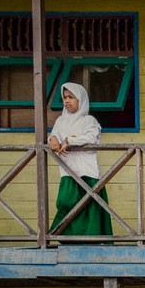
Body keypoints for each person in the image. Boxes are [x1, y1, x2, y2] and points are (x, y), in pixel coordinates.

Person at [48, 82, 113, 237]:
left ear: (81, 100)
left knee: (89, 206)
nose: (67, 101)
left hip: (87, 171)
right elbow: (54, 135)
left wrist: (70, 141)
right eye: (64, 97)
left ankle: (93, 239)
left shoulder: (89, 120)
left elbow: (93, 138)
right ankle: (66, 236)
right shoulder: (61, 121)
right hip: (68, 170)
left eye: (71, 97)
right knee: (65, 201)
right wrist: (54, 139)